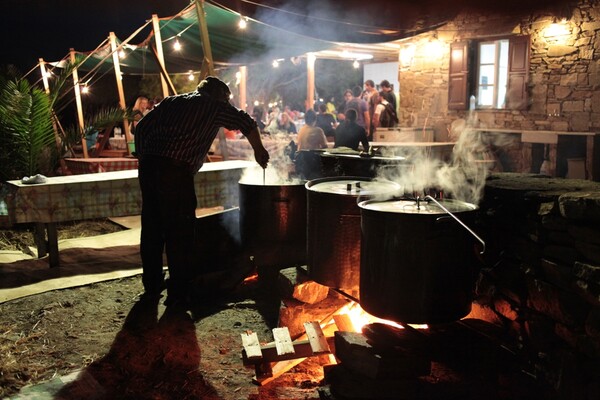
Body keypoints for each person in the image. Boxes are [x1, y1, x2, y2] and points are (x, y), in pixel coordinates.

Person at [134, 76, 269, 307]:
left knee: (152, 228)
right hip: (175, 172)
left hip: (149, 168)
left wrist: (145, 155)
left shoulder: (172, 101)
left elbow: (143, 127)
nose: (227, 104)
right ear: (219, 96)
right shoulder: (214, 106)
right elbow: (246, 122)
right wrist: (259, 150)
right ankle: (179, 292)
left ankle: (153, 284)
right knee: (180, 231)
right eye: (226, 99)